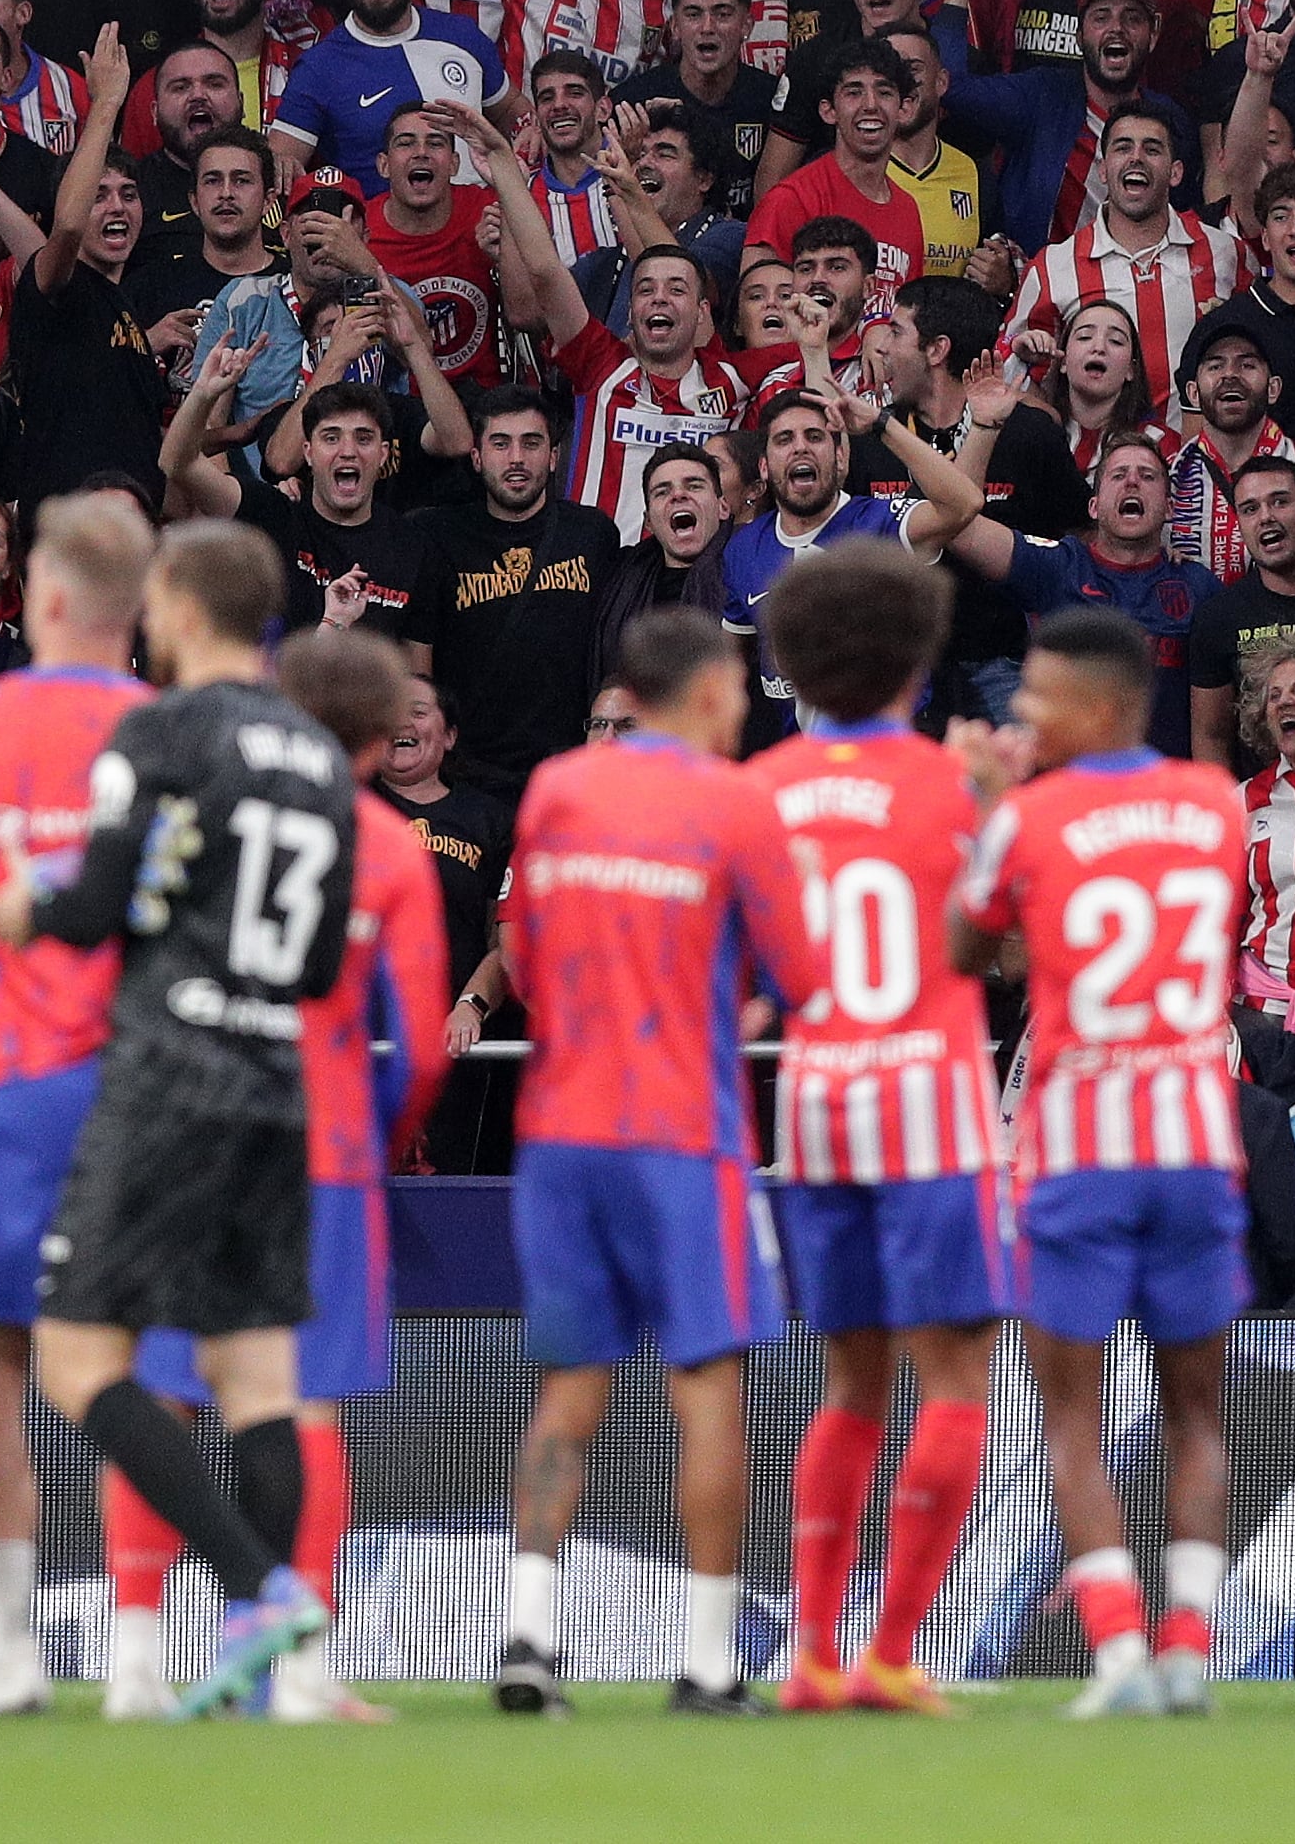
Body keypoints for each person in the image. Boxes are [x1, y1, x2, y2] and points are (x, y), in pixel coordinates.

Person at [0, 518, 359, 1721]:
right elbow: (310, 968)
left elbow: (91, 911)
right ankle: (275, 1647)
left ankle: (259, 1588)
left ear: (186, 611)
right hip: (272, 1076)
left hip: (168, 1070)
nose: (142, 621)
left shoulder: (154, 731)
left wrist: (24, 907)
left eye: (155, 604)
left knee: (76, 1359)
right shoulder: (320, 753)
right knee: (256, 1373)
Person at [489, 603, 826, 1712]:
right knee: (707, 1389)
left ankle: (528, 1635)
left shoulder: (556, 790)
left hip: (561, 1131)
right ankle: (708, 1657)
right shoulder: (739, 802)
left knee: (567, 1391)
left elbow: (524, 961)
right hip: (684, 1132)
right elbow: (801, 972)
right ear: (716, 692)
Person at [117, 625, 449, 1729]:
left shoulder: (208, 814)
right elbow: (430, 1044)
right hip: (323, 1149)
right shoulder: (391, 847)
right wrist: (382, 1132)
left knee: (162, 1388)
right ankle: (298, 1679)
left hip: (191, 1127)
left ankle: (132, 1661)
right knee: (302, 1406)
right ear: (374, 733)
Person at [956, 602, 1255, 1719]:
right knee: (1198, 1416)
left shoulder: (1030, 817)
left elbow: (966, 949)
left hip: (1077, 1146)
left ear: (1099, 704)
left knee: (1069, 1421)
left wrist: (993, 806)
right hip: (1193, 1136)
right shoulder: (1213, 808)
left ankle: (1120, 1655)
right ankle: (1186, 1647)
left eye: (1038, 698)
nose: (1021, 716)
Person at [0, 492, 156, 1722]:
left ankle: (2, 1655)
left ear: (43, 597)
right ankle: (143, 1663)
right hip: (140, 1095)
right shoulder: (172, 732)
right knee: (135, 1367)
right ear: (139, 610)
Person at [745, 544, 1014, 1715]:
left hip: (813, 1102)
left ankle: (810, 1651)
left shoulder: (760, 789)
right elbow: (1004, 944)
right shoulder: (954, 783)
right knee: (954, 1380)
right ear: (918, 653)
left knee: (847, 1386)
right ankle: (893, 1651)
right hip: (931, 1101)